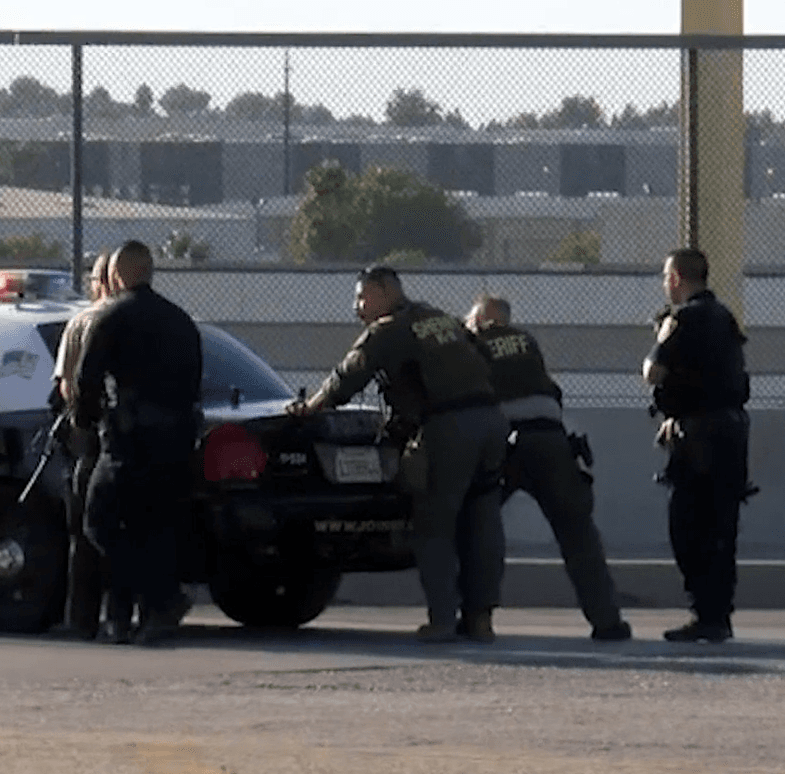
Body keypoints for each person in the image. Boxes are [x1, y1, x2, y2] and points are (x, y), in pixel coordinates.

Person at [287, 265, 508, 643]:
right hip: (491, 423)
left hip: (447, 427)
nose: (356, 306)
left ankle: (442, 620)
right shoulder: (442, 320)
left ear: (384, 292)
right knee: (482, 520)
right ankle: (480, 619)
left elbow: (348, 376)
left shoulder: (390, 330)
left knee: (434, 523)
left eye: (361, 296)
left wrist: (311, 406)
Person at [466, 295, 632, 641]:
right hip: (552, 439)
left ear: (481, 319)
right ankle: (607, 621)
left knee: (480, 524)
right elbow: (551, 391)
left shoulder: (475, 342)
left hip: (507, 442)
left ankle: (477, 619)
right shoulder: (527, 341)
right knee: (578, 533)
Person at [73, 240, 202, 646]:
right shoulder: (182, 321)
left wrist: (85, 422)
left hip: (128, 444)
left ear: (116, 275)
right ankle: (149, 613)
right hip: (177, 442)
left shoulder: (111, 317)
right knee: (156, 529)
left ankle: (162, 599)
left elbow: (86, 382)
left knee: (99, 521)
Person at [642, 247, 750, 643]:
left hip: (698, 434)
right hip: (733, 431)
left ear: (675, 278)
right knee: (722, 527)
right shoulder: (723, 316)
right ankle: (717, 615)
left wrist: (662, 338)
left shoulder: (683, 319)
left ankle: (705, 612)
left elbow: (653, 372)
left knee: (687, 525)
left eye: (665, 277)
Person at [51, 250, 111, 640]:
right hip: (157, 439)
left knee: (84, 532)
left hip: (93, 440)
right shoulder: (160, 322)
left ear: (103, 281)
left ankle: (82, 618)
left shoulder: (83, 322)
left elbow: (67, 384)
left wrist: (78, 419)